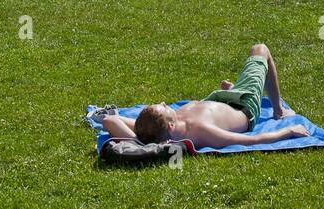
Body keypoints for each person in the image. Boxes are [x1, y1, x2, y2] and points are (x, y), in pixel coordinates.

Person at [97, 44, 310, 151]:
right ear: (171, 126)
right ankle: (278, 111)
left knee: (249, 63)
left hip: (216, 99)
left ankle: (231, 88)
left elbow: (110, 120)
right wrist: (288, 131)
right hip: (241, 102)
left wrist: (138, 143)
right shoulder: (200, 131)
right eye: (164, 107)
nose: (164, 103)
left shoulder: (152, 129)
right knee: (260, 49)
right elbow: (251, 140)